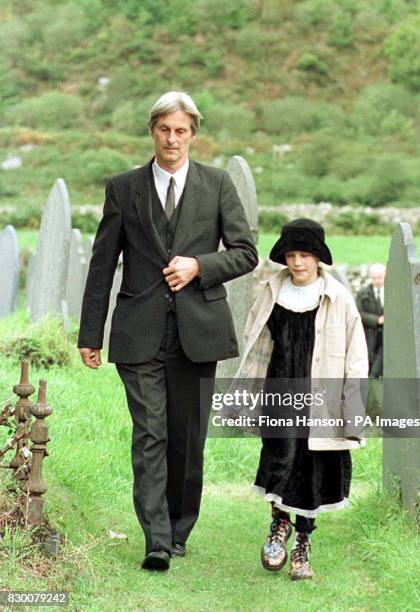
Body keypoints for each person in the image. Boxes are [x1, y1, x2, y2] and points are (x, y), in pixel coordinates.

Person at [77, 91, 258, 572]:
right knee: (150, 433)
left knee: (187, 438)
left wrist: (200, 265)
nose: (171, 139)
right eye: (164, 129)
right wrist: (89, 333)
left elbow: (245, 251)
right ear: (152, 131)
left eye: (181, 131)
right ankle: (155, 539)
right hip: (138, 332)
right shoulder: (122, 187)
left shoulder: (217, 185)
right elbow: (102, 265)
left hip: (199, 332)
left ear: (193, 135)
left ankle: (179, 529)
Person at [233, 219, 368, 581]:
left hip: (320, 400)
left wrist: (352, 410)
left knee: (312, 470)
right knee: (281, 459)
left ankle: (303, 542)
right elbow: (254, 343)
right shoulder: (271, 292)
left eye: (304, 255)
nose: (297, 263)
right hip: (279, 393)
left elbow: (356, 357)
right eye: (291, 255)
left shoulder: (338, 299)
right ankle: (278, 526)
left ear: (318, 258)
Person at [356, 263, 385, 378]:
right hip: (369, 335)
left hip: (386, 336)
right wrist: (377, 320)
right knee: (370, 364)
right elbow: (358, 314)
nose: (377, 281)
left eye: (379, 278)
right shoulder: (363, 293)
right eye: (374, 278)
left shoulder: (391, 291)